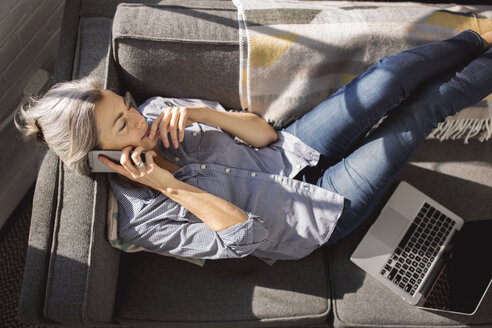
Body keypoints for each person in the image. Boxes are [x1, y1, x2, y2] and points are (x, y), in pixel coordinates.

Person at [16, 29, 492, 265]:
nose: (139, 118)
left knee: (386, 78)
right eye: (123, 124)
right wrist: (172, 187)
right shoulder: (143, 219)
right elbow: (245, 239)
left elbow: (264, 135)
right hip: (314, 216)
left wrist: (203, 114)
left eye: (126, 105)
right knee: (420, 114)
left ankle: (478, 36)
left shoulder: (160, 111)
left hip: (290, 149)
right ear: (102, 158)